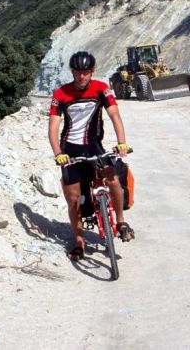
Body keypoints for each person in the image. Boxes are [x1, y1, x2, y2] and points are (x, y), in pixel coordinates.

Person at [48, 51, 134, 261]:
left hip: (94, 145)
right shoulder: (61, 94)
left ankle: (121, 221)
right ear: (73, 72)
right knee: (74, 199)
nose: (82, 77)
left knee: (113, 179)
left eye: (86, 73)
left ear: (92, 72)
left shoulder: (101, 89)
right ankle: (79, 242)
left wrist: (121, 142)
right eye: (78, 72)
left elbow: (114, 114)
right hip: (70, 149)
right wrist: (58, 153)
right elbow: (53, 128)